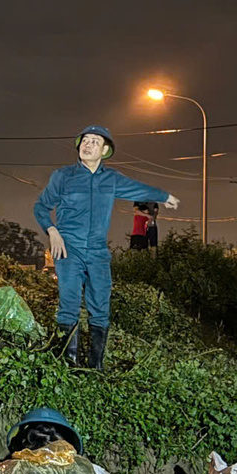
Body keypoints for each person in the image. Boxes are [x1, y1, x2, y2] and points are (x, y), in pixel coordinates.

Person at [33, 127, 177, 365]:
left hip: (98, 252)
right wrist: (52, 230)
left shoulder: (111, 180)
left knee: (100, 306)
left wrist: (164, 196)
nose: (87, 145)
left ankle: (95, 366)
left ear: (105, 150)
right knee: (69, 305)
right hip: (68, 248)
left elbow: (138, 188)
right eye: (84, 141)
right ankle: (68, 365)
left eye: (94, 142)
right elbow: (41, 206)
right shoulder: (63, 176)